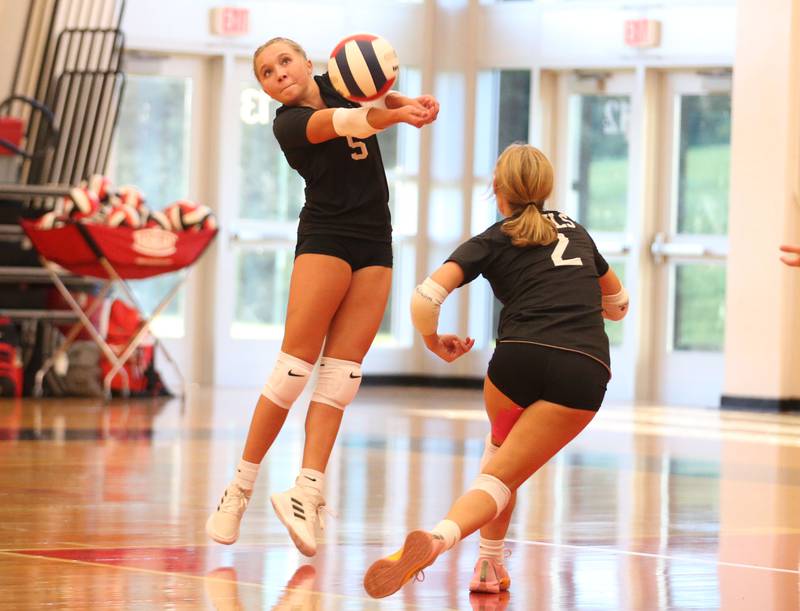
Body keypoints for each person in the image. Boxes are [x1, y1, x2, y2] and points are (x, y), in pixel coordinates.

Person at [206, 37, 440, 556]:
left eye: (284, 61)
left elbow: (377, 101)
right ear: (266, 87)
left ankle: (305, 493)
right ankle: (239, 489)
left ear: (308, 62)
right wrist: (395, 117)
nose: (278, 74)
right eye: (267, 72)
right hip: (327, 236)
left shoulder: (341, 80)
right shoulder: (288, 123)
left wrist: (413, 103)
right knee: (293, 368)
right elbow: (352, 122)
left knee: (342, 378)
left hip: (375, 237)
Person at [362, 143, 629, 598]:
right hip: (581, 367)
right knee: (503, 475)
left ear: (497, 188)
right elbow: (619, 305)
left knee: (500, 463)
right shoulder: (576, 232)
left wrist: (432, 341)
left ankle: (488, 567)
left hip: (515, 362)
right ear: (544, 189)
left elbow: (425, 298)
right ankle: (439, 539)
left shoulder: (494, 237)